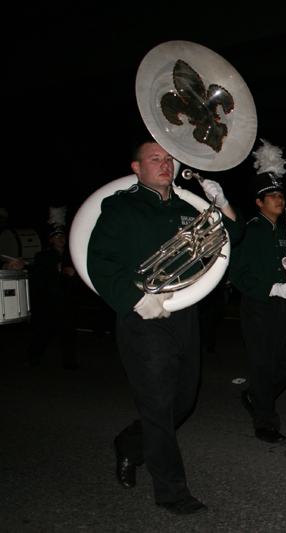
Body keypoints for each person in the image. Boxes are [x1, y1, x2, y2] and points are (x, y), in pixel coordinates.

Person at [88, 137, 242, 514]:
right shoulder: (121, 207)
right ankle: (172, 492)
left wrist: (219, 201)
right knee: (158, 406)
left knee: (183, 401)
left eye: (169, 159)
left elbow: (233, 236)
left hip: (185, 314)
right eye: (154, 159)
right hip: (143, 317)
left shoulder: (189, 206)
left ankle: (130, 442)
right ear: (136, 169)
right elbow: (99, 261)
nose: (165, 164)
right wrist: (136, 299)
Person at [229, 140, 286, 443]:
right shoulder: (250, 231)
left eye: (281, 195)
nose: (279, 199)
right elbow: (238, 274)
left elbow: (283, 268)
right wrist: (271, 287)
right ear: (259, 202)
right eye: (272, 196)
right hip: (259, 307)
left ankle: (255, 397)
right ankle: (265, 422)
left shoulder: (284, 231)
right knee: (263, 366)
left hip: (283, 308)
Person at [27, 207, 79, 369]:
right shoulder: (42, 256)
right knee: (45, 331)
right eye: (56, 237)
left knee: (68, 332)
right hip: (49, 300)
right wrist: (54, 270)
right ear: (50, 240)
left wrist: (73, 275)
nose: (60, 239)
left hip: (66, 298)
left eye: (62, 236)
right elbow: (40, 277)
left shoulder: (71, 255)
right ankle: (34, 355)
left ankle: (69, 362)